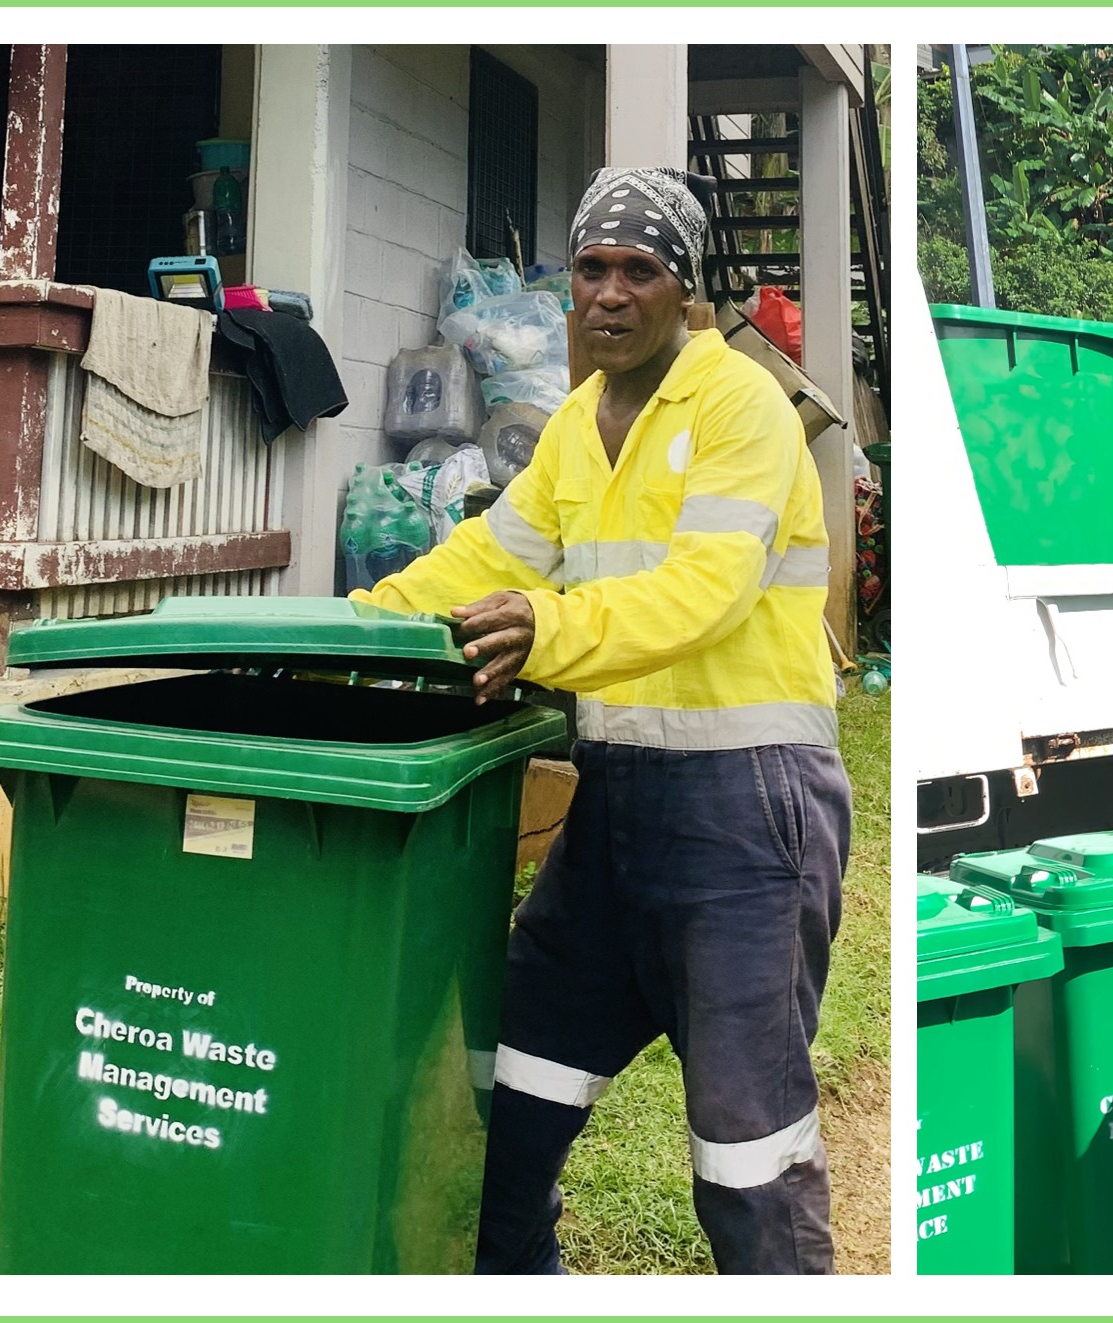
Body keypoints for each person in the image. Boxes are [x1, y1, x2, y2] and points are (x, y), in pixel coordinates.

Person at [353, 166, 852, 1272]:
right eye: (592, 269)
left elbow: (704, 592)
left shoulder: (743, 412)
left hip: (749, 815)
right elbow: (489, 556)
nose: (611, 295)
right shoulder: (581, 420)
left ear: (688, 290)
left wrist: (547, 629)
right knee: (501, 1109)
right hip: (617, 807)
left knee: (748, 1158)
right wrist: (361, 627)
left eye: (642, 271)